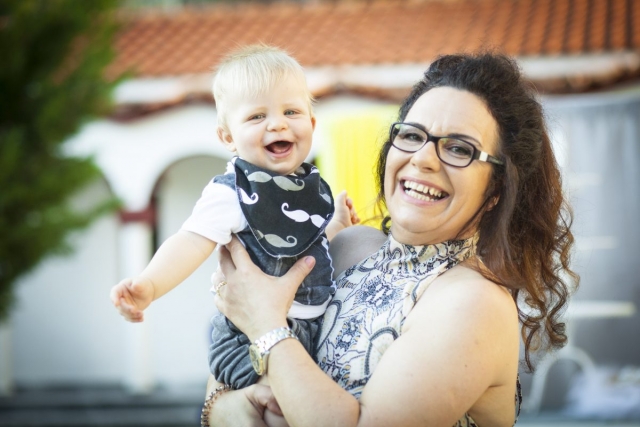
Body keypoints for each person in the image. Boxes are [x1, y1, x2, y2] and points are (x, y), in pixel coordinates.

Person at [202, 52, 578, 427]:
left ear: (497, 188)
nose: (423, 159)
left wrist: (267, 326)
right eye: (412, 135)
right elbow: (233, 350)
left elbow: (259, 320)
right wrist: (223, 408)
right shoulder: (347, 246)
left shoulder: (475, 302)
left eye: (458, 148)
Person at [110, 44, 359, 389]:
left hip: (314, 330)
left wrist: (336, 226)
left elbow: (304, 248)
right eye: (257, 117)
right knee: (271, 403)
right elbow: (190, 242)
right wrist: (151, 284)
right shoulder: (232, 193)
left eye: (291, 111)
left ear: (312, 124)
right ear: (228, 137)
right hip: (248, 339)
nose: (277, 124)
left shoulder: (307, 187)